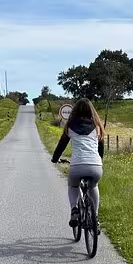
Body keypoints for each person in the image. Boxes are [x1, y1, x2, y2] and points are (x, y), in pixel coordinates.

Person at [51, 98, 105, 229]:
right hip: (95, 166)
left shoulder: (70, 127)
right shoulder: (97, 127)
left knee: (73, 185)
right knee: (93, 187)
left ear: (74, 111)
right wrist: (99, 162)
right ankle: (95, 218)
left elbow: (61, 146)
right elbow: (101, 149)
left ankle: (74, 210)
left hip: (77, 166)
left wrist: (55, 158)